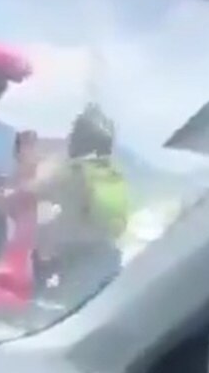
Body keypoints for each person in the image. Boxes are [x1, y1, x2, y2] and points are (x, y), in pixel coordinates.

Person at [8, 105, 131, 307]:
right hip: (109, 255)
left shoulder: (71, 171)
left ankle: (28, 305)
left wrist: (4, 196)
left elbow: (28, 194)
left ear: (79, 138)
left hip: (76, 260)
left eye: (73, 133)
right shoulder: (112, 171)